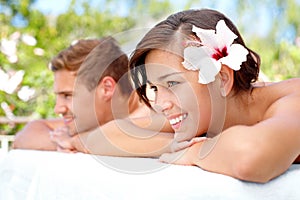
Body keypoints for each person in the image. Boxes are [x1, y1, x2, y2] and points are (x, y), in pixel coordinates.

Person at [127, 8, 300, 183]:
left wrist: (193, 152)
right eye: (155, 88)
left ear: (222, 79)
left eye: (172, 84)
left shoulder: (294, 98)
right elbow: (104, 135)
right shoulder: (198, 115)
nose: (161, 104)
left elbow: (251, 157)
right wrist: (170, 145)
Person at [13, 37, 174, 154]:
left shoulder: (162, 111)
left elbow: (117, 133)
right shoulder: (94, 120)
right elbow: (26, 135)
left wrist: (75, 141)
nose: (58, 108)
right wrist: (65, 141)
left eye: (68, 95)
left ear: (106, 88)